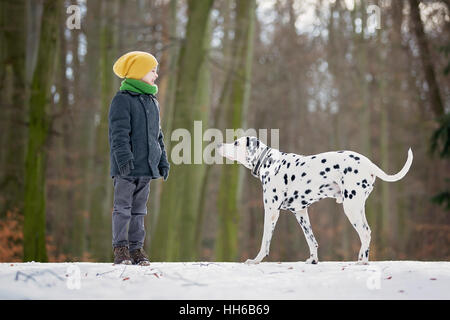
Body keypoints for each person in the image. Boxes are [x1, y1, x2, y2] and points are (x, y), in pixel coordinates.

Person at [108, 51, 170, 265]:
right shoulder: (122, 100)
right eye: (152, 71)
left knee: (139, 211)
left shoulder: (153, 102)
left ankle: (136, 249)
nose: (155, 75)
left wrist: (162, 161)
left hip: (146, 167)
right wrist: (124, 159)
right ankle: (121, 249)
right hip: (127, 168)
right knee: (122, 208)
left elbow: (157, 136)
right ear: (138, 72)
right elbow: (118, 133)